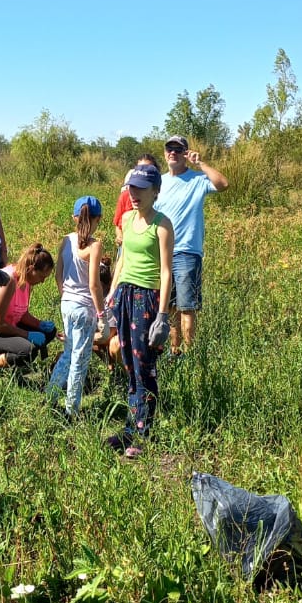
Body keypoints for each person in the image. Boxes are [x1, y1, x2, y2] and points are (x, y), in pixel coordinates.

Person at [108, 164, 174, 457]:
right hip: (124, 294)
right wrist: (111, 295)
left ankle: (142, 434)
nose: (134, 194)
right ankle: (130, 426)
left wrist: (162, 316)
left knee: (143, 365)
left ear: (155, 191)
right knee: (127, 363)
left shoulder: (162, 224)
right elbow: (121, 261)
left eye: (141, 189)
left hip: (146, 299)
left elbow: (166, 272)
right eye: (131, 188)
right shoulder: (126, 218)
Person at [155, 135, 228, 354]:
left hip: (187, 252)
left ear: (186, 154)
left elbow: (223, 184)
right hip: (161, 252)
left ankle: (189, 354)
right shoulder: (158, 181)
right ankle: (174, 351)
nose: (173, 153)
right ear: (165, 152)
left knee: (187, 307)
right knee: (169, 306)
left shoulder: (198, 179)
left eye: (179, 150)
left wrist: (201, 164)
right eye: (170, 149)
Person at [48, 197, 106, 416]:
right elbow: (94, 285)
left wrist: (66, 298)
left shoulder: (66, 240)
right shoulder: (95, 245)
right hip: (84, 308)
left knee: (68, 353)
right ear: (98, 219)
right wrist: (102, 316)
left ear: (74, 217)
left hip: (67, 304)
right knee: (80, 361)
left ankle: (50, 396)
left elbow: (58, 275)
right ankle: (71, 410)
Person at [0, 243, 57, 367]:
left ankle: (10, 356)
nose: (43, 281)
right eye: (41, 276)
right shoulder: (7, 281)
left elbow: (22, 314)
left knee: (49, 332)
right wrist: (27, 335)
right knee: (28, 350)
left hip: (8, 327)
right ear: (31, 269)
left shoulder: (27, 280)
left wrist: (39, 324)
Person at [113, 155, 159, 246]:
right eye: (139, 168)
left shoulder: (162, 222)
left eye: (148, 168)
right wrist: (120, 236)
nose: (142, 171)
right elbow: (118, 225)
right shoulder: (126, 196)